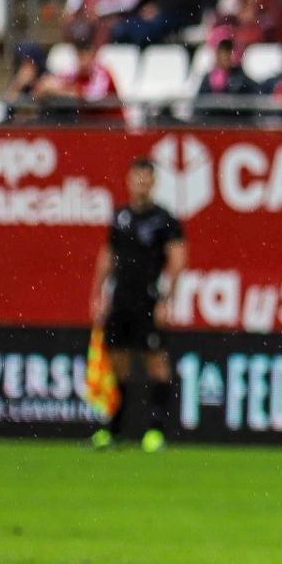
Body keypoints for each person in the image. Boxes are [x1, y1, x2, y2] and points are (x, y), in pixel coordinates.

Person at [89, 159, 187, 453]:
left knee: (156, 362)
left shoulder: (165, 220)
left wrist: (167, 300)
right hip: (121, 299)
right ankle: (115, 429)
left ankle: (155, 431)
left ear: (154, 182)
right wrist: (97, 294)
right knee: (118, 363)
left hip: (149, 298)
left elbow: (178, 261)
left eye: (147, 179)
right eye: (137, 178)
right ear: (129, 181)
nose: (141, 184)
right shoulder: (120, 217)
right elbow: (108, 255)